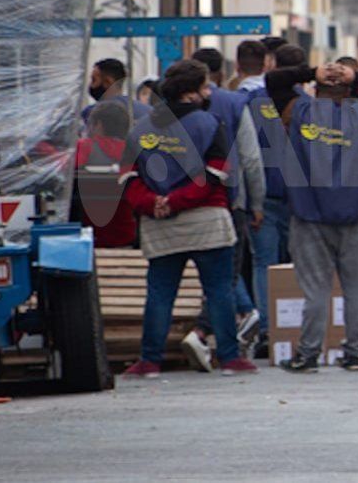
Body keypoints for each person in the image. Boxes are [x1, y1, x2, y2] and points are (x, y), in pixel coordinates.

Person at [119, 60, 257, 378]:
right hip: (206, 221)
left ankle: (149, 360)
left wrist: (155, 202)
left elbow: (128, 178)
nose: (209, 93)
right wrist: (180, 201)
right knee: (219, 289)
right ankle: (229, 357)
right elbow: (216, 172)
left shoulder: (140, 129)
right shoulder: (210, 123)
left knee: (160, 292)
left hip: (159, 224)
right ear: (190, 94)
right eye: (205, 87)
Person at [264, 59, 358, 372]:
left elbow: (273, 80)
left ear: (315, 86)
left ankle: (308, 354)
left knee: (315, 290)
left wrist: (309, 70)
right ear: (351, 89)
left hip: (308, 214)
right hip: (354, 213)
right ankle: (354, 353)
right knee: (356, 289)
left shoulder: (296, 112)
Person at [181, 48, 266, 371]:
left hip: (182, 203)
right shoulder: (234, 104)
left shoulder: (166, 110)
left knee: (197, 277)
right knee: (225, 274)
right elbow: (251, 159)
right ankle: (211, 333)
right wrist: (255, 203)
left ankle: (242, 314)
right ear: (218, 72)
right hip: (230, 200)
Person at [244, 43, 307, 355]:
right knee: (298, 264)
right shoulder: (308, 105)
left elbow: (245, 153)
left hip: (264, 195)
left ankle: (270, 331)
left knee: (263, 263)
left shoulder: (251, 101)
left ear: (270, 64)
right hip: (299, 198)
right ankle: (295, 330)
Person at [72, 102, 137, 248]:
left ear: (99, 125)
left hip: (88, 234)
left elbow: (66, 176)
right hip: (126, 234)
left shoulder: (84, 147)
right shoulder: (133, 151)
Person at [82, 58, 152, 125]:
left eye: (94, 80)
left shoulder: (92, 113)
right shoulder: (146, 111)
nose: (91, 85)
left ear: (107, 82)